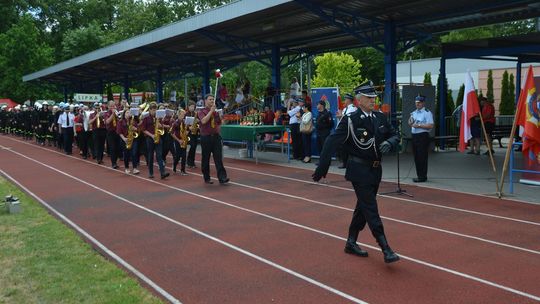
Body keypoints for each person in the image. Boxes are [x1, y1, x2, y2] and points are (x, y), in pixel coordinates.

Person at [312, 81, 400, 264]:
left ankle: (351, 242)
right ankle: (385, 248)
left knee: (363, 206)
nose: (373, 101)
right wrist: (322, 167)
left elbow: (395, 134)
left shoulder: (379, 117)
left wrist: (390, 142)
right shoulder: (351, 120)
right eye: (369, 98)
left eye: (374, 98)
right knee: (370, 208)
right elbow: (331, 141)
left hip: (376, 169)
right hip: (358, 170)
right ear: (359, 100)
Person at [197, 94, 229, 184]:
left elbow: (220, 123)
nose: (212, 101)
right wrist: (211, 111)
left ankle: (222, 177)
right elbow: (203, 121)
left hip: (215, 137)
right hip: (206, 137)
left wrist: (219, 116)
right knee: (206, 158)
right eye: (210, 99)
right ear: (205, 101)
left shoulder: (215, 111)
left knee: (218, 158)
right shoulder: (201, 111)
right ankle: (206, 177)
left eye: (213, 99)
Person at [408, 94, 434, 183]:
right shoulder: (414, 112)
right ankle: (419, 175)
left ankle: (423, 176)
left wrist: (418, 125)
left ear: (423, 103)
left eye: (419, 103)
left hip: (422, 136)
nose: (417, 104)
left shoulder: (427, 113)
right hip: (414, 136)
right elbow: (410, 122)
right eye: (416, 103)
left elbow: (430, 125)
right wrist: (410, 122)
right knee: (416, 157)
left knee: (422, 157)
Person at [142, 102, 170, 179]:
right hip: (150, 138)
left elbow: (162, 128)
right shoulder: (146, 118)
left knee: (159, 156)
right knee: (150, 156)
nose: (154, 112)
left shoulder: (158, 117)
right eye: (153, 110)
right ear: (150, 110)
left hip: (158, 138)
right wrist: (151, 135)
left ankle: (162, 173)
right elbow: (143, 130)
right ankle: (151, 172)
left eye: (155, 110)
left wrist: (160, 125)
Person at [337, 93, 357, 169]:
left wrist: (341, 116)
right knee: (342, 147)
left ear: (349, 100)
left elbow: (349, 118)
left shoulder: (352, 108)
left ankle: (346, 162)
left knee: (347, 147)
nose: (344, 101)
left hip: (349, 130)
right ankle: (344, 161)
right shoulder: (345, 109)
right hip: (344, 130)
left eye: (345, 99)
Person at [171, 109, 189, 175]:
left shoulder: (185, 122)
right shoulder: (175, 123)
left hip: (184, 140)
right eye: (182, 114)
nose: (183, 116)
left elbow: (187, 130)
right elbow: (172, 133)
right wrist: (178, 140)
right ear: (178, 115)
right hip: (178, 141)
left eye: (184, 115)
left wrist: (187, 132)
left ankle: (183, 170)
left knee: (184, 156)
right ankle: (174, 166)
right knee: (178, 156)